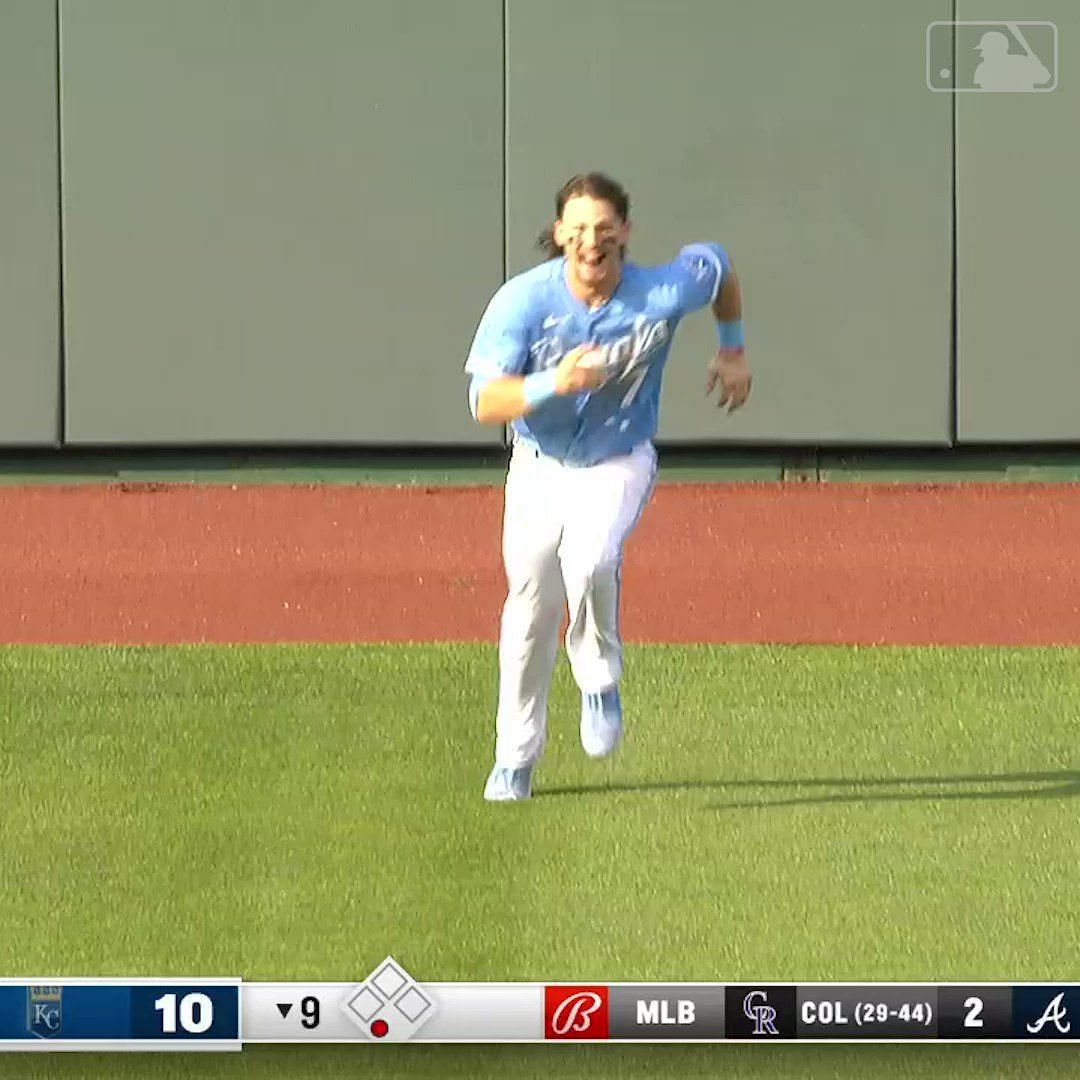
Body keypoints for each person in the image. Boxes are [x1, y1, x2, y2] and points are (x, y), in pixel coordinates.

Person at [464, 172, 751, 802]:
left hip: (619, 457)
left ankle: (598, 680)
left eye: (604, 226)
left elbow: (719, 264)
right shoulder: (525, 302)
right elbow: (485, 400)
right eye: (579, 227)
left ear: (625, 230)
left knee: (591, 558)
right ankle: (514, 760)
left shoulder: (662, 290)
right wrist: (554, 384)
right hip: (541, 462)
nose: (591, 240)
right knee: (532, 605)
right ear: (560, 233)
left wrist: (732, 347)